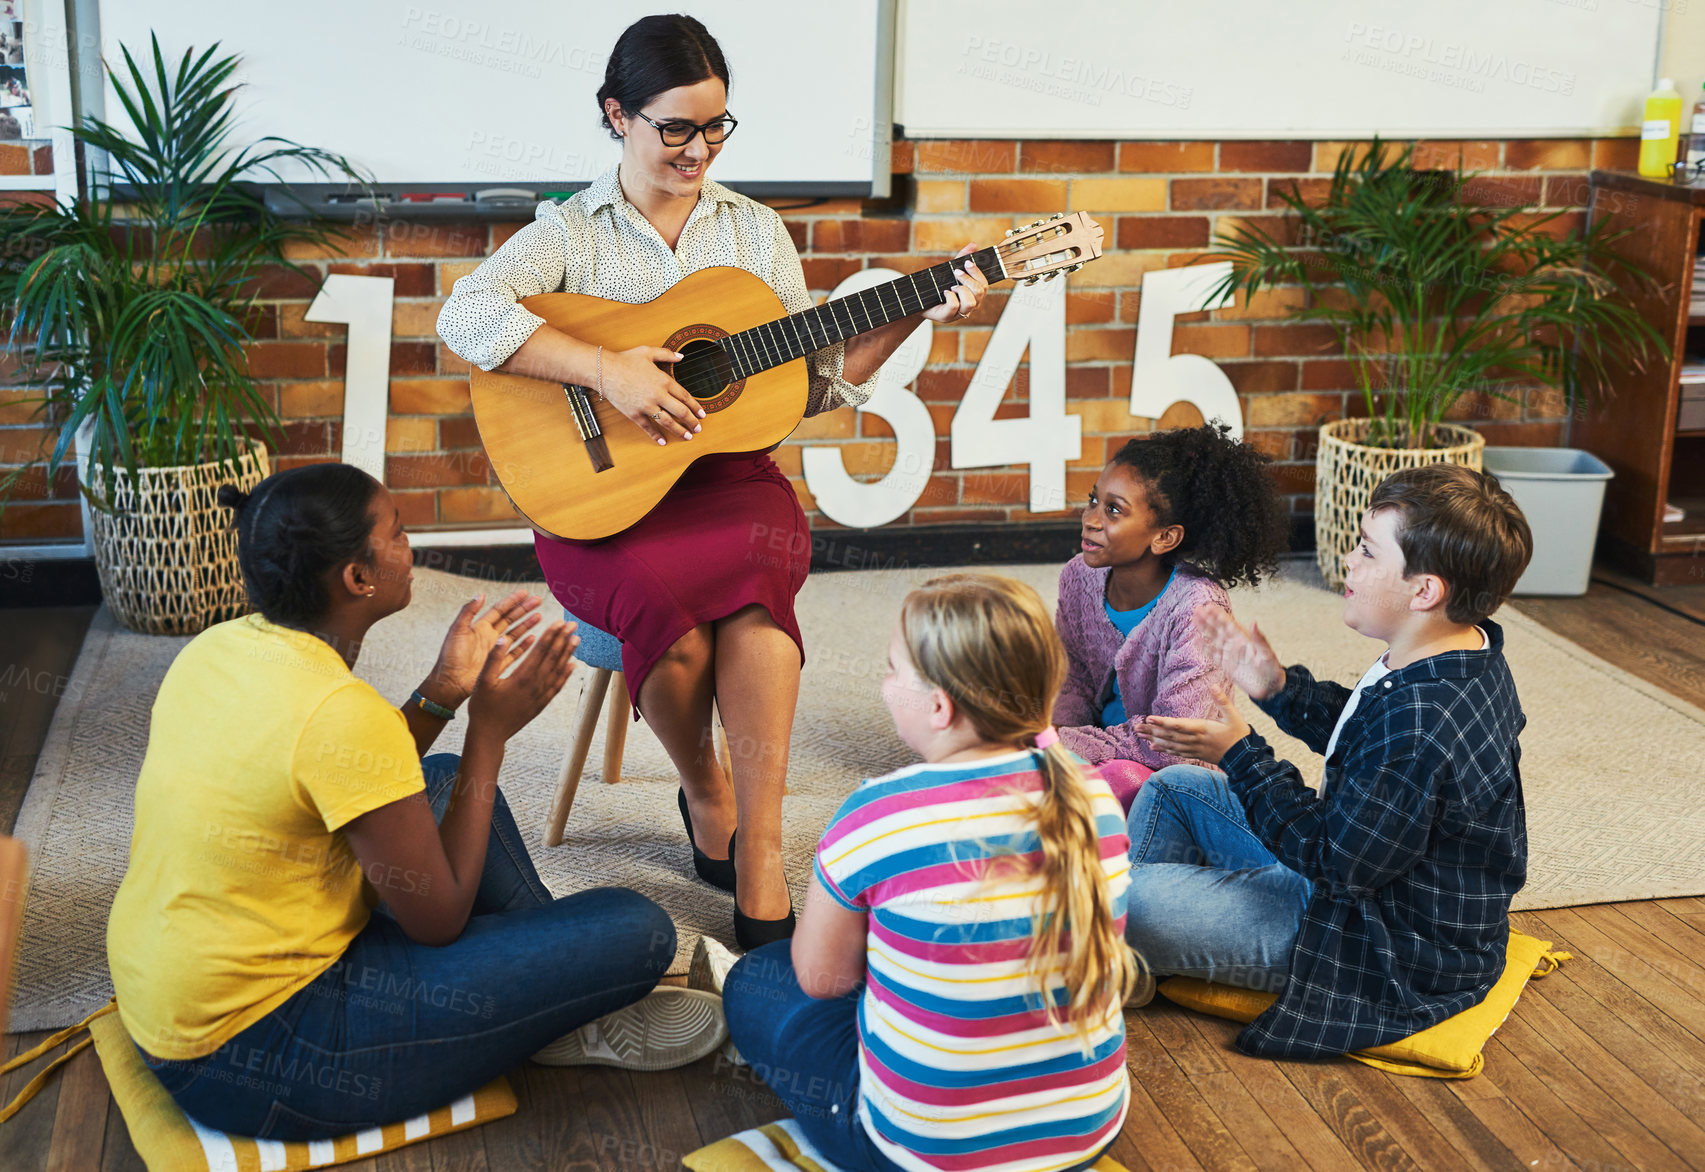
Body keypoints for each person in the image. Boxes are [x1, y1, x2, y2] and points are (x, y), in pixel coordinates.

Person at [436, 14, 987, 950]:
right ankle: (707, 795)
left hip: (725, 481)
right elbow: (468, 315)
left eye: (716, 128)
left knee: (759, 617)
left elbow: (808, 383)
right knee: (680, 644)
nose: (698, 150)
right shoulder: (567, 231)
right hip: (598, 501)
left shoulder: (753, 231)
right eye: (676, 128)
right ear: (617, 116)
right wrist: (606, 372)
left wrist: (916, 309)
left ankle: (762, 861)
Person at [106, 463, 727, 1142]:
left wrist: (444, 688)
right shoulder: (340, 711)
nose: (411, 543)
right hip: (261, 1058)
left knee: (436, 776)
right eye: (397, 532)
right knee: (638, 931)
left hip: (174, 1004)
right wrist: (490, 729)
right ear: (357, 577)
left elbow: (348, 769)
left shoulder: (218, 648)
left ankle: (551, 992)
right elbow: (438, 921)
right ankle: (558, 999)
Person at [723, 574, 1139, 1172]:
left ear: (940, 706)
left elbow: (821, 980)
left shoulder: (876, 812)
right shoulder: (1091, 794)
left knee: (757, 978)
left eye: (893, 670)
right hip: (1086, 1137)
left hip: (917, 1155)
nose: (884, 684)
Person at [1126, 463, 1533, 1058]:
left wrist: (1241, 752)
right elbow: (1361, 730)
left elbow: (1334, 862)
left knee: (1124, 898)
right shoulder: (1458, 648)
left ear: (1424, 591)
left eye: (1368, 551)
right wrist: (1275, 686)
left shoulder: (1423, 724)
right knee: (1176, 789)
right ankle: (1136, 946)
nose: (1349, 559)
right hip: (1363, 884)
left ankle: (1126, 940)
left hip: (1371, 943)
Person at [1056, 423, 1288, 811]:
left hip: (1172, 774)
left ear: (1164, 537)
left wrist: (1067, 745)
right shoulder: (1079, 576)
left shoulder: (1198, 609)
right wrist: (1060, 732)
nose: (1091, 519)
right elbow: (1072, 676)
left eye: (1113, 510)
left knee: (1125, 784)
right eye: (1093, 500)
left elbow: (1173, 742)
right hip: (1096, 745)